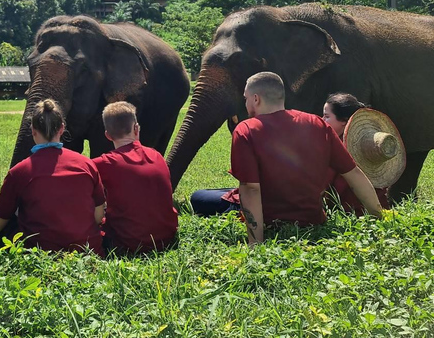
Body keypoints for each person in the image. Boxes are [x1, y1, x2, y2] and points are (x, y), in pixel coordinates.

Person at [191, 72, 383, 246]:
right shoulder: (317, 124)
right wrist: (378, 217)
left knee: (199, 197)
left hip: (271, 217)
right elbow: (354, 173)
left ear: (256, 99)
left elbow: (250, 188)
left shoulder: (246, 130)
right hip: (312, 218)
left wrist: (255, 243)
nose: (246, 104)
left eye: (246, 99)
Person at [0, 99, 106, 256]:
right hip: (86, 252)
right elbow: (98, 216)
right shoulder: (87, 165)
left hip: (38, 254)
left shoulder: (19, 171)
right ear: (62, 128)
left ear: (33, 130)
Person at [92, 102, 177, 254]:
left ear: (107, 135)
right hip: (167, 238)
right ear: (136, 128)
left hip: (127, 242)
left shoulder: (104, 163)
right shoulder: (156, 155)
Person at [323, 93, 398, 214]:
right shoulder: (367, 145)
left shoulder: (337, 148)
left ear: (344, 121)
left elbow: (322, 185)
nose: (322, 120)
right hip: (378, 212)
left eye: (326, 116)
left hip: (347, 213)